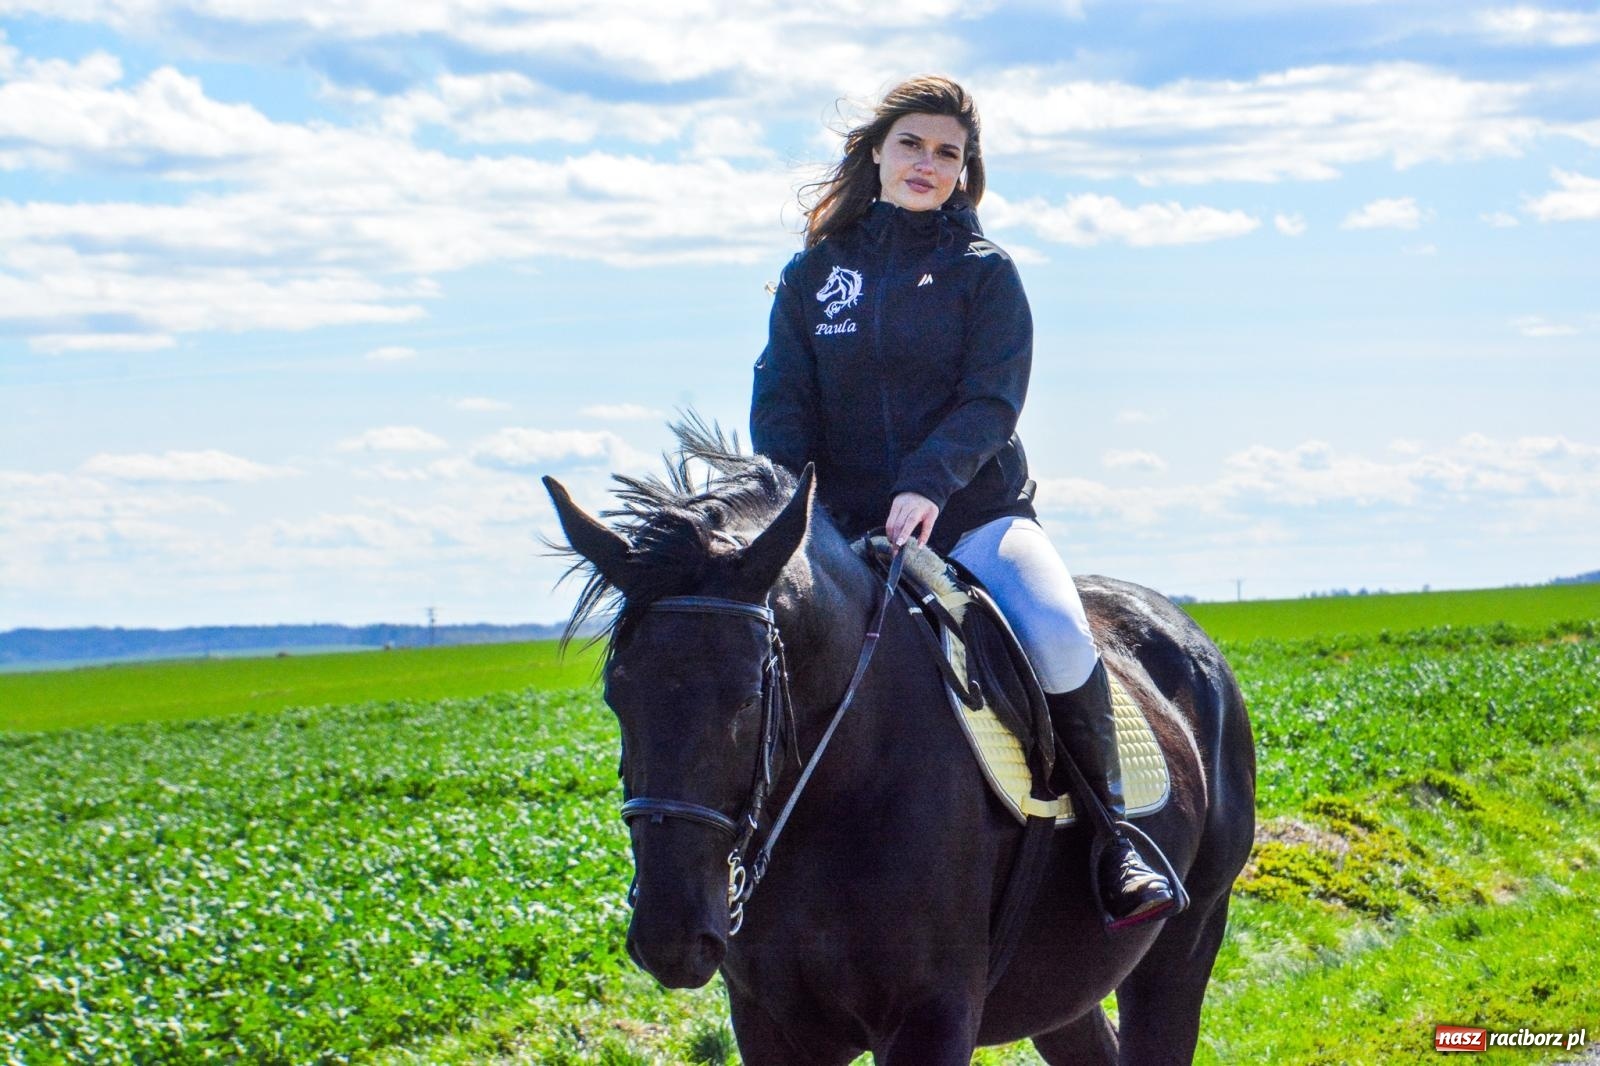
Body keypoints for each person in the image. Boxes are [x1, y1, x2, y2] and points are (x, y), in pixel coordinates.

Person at [749, 75, 1174, 929]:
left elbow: (990, 400)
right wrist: (795, 507)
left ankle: (1115, 840)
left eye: (948, 153)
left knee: (1056, 633)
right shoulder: (813, 276)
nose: (927, 163)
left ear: (963, 172)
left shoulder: (985, 274)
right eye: (912, 143)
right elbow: (781, 402)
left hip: (975, 515)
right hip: (839, 531)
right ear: (876, 152)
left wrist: (925, 484)